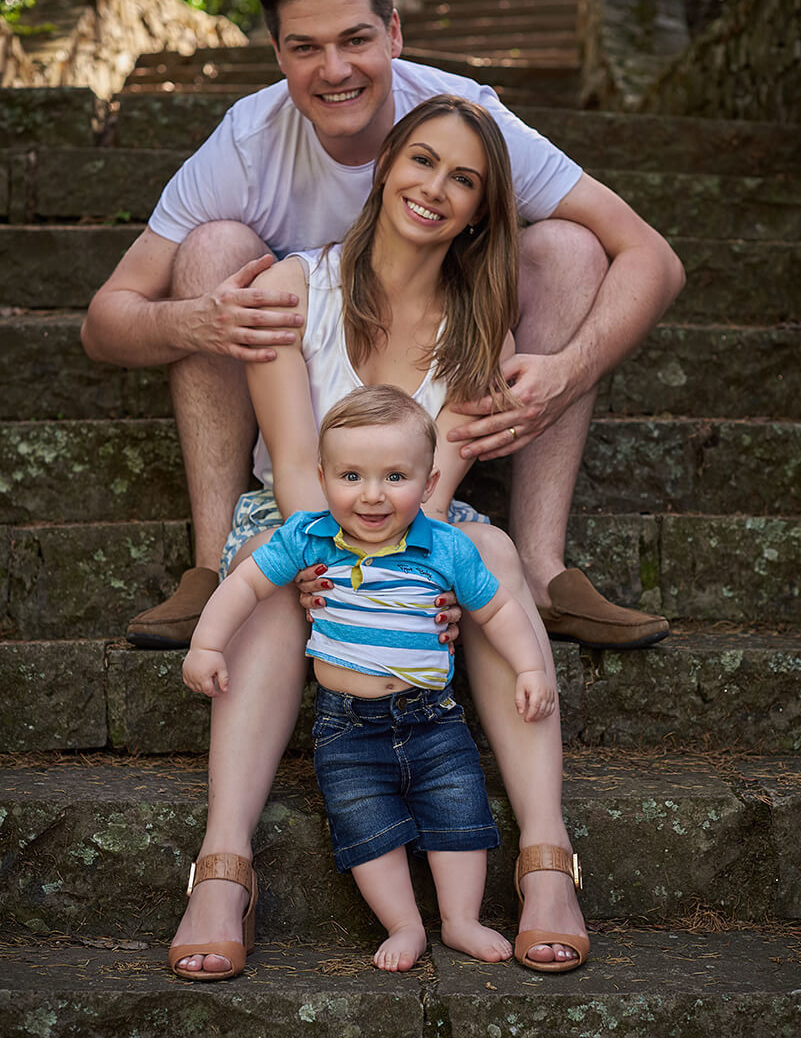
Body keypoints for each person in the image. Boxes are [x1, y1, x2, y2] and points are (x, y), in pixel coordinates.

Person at [81, 0, 684, 654]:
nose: (334, 69)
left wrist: (565, 372)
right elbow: (105, 321)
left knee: (570, 247)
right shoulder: (246, 140)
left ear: (393, 32)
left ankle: (540, 568)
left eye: (355, 39)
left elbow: (652, 256)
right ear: (277, 55)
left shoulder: (461, 118)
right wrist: (199, 321)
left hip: (443, 384)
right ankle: (213, 566)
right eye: (304, 47)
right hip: (300, 396)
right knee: (213, 251)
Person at [166, 94, 590, 981]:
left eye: (464, 180)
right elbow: (290, 463)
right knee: (272, 572)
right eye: (423, 161)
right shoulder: (291, 287)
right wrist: (323, 553)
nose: (436, 188)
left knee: (494, 558)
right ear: (387, 162)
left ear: (480, 209)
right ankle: (222, 866)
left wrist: (415, 568)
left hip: (415, 522)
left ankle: (547, 860)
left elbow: (438, 488)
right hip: (301, 510)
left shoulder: (482, 329)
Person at [181, 385, 560, 975]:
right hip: (348, 727)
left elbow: (499, 611)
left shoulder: (445, 546)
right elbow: (246, 586)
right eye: (351, 477)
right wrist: (206, 644)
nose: (373, 495)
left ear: (430, 485)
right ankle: (404, 922)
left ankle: (459, 919)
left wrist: (532, 665)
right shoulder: (307, 538)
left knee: (459, 816)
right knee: (366, 827)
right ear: (323, 476)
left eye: (395, 477)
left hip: (432, 719)